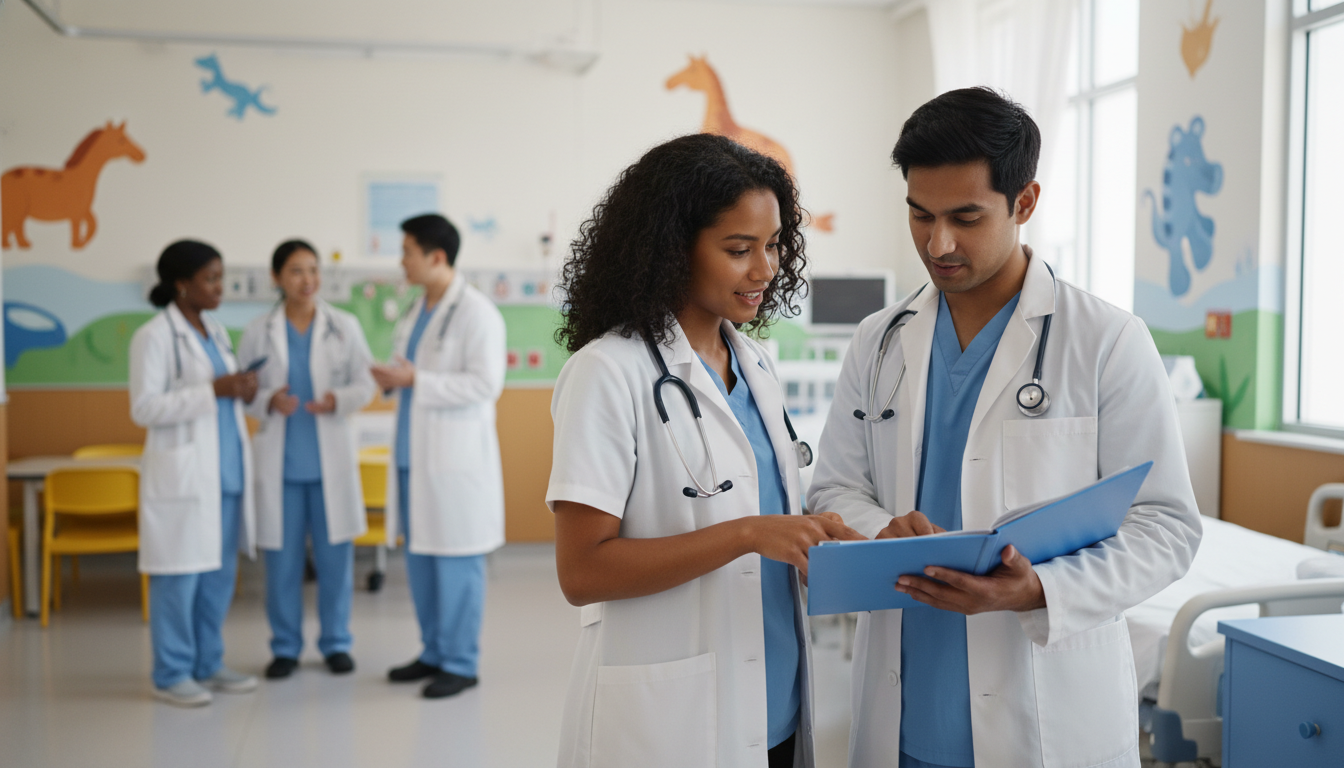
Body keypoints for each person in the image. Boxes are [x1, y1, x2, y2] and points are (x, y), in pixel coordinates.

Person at [807, 87, 1203, 768]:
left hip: (1046, 720)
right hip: (902, 718)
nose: (939, 242)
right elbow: (835, 489)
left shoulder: (1106, 340)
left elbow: (1166, 525)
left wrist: (1042, 589)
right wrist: (880, 530)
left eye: (966, 216)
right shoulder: (879, 341)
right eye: (920, 215)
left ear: (1024, 203)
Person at [547, 133, 865, 768]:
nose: (765, 268)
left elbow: (767, 518)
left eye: (774, 245)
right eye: (738, 249)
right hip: (672, 720)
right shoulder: (608, 372)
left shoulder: (755, 366)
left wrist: (814, 535)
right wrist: (748, 534)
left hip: (775, 700)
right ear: (672, 250)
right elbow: (582, 573)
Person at [369, 214, 507, 699]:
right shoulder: (415, 309)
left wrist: (416, 381)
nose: (401, 261)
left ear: (435, 257)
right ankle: (432, 651)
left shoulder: (476, 313)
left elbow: (486, 385)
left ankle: (461, 661)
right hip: (413, 456)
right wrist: (393, 378)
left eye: (407, 251)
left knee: (456, 561)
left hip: (454, 462)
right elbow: (410, 370)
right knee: (422, 560)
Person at [129, 239, 261, 707]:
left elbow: (219, 395)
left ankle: (208, 662)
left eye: (221, 276)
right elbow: (143, 408)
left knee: (218, 576)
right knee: (178, 576)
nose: (220, 287)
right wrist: (214, 390)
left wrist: (239, 389)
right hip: (185, 476)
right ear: (181, 284)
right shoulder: (154, 336)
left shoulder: (216, 332)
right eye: (210, 278)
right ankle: (170, 672)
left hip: (224, 473)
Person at [239, 240, 376, 679]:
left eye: (313, 270)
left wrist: (340, 399)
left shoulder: (344, 325)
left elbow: (366, 384)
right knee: (282, 562)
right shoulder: (258, 331)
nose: (307, 280)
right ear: (278, 277)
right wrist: (266, 401)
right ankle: (285, 647)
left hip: (328, 462)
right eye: (296, 271)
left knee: (336, 561)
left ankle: (336, 642)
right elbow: (244, 392)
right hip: (280, 465)